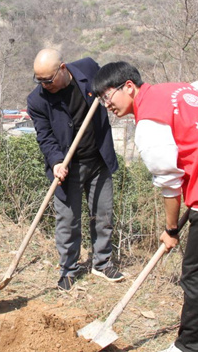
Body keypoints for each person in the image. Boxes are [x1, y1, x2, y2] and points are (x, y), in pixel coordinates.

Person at [92, 61, 198, 352]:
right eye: (101, 100)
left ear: (128, 87)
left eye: (107, 96)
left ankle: (188, 346)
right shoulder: (179, 89)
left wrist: (171, 230)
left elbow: (170, 187)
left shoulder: (149, 126)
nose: (106, 104)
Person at [26, 48, 124, 291]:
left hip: (98, 159)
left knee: (103, 215)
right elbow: (45, 136)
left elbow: (111, 86)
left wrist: (108, 97)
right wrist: (56, 162)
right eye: (39, 80)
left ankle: (102, 263)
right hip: (68, 168)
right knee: (67, 222)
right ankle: (68, 270)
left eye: (48, 80)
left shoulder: (88, 69)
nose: (44, 85)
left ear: (62, 68)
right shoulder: (37, 100)